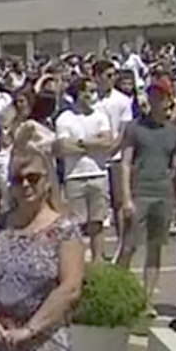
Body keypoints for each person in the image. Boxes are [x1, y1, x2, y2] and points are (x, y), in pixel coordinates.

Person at [0, 149, 85, 351]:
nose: (25, 185)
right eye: (17, 179)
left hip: (44, 346)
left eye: (33, 178)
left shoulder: (65, 229)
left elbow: (70, 288)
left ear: (47, 182)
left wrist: (30, 329)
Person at [114, 81, 176, 296]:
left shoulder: (174, 132)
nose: (157, 101)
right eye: (153, 95)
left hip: (163, 195)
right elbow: (125, 162)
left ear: (169, 100)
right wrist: (126, 198)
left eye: (162, 96)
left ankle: (147, 297)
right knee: (129, 246)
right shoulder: (135, 128)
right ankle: (118, 291)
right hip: (139, 193)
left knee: (155, 247)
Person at [55, 79, 116, 261]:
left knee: (97, 221)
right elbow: (64, 147)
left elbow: (107, 142)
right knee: (77, 224)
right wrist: (93, 145)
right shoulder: (65, 118)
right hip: (75, 175)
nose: (91, 95)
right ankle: (78, 260)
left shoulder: (100, 116)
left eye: (93, 91)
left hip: (98, 173)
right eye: (88, 91)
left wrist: (81, 142)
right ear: (79, 94)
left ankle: (98, 260)